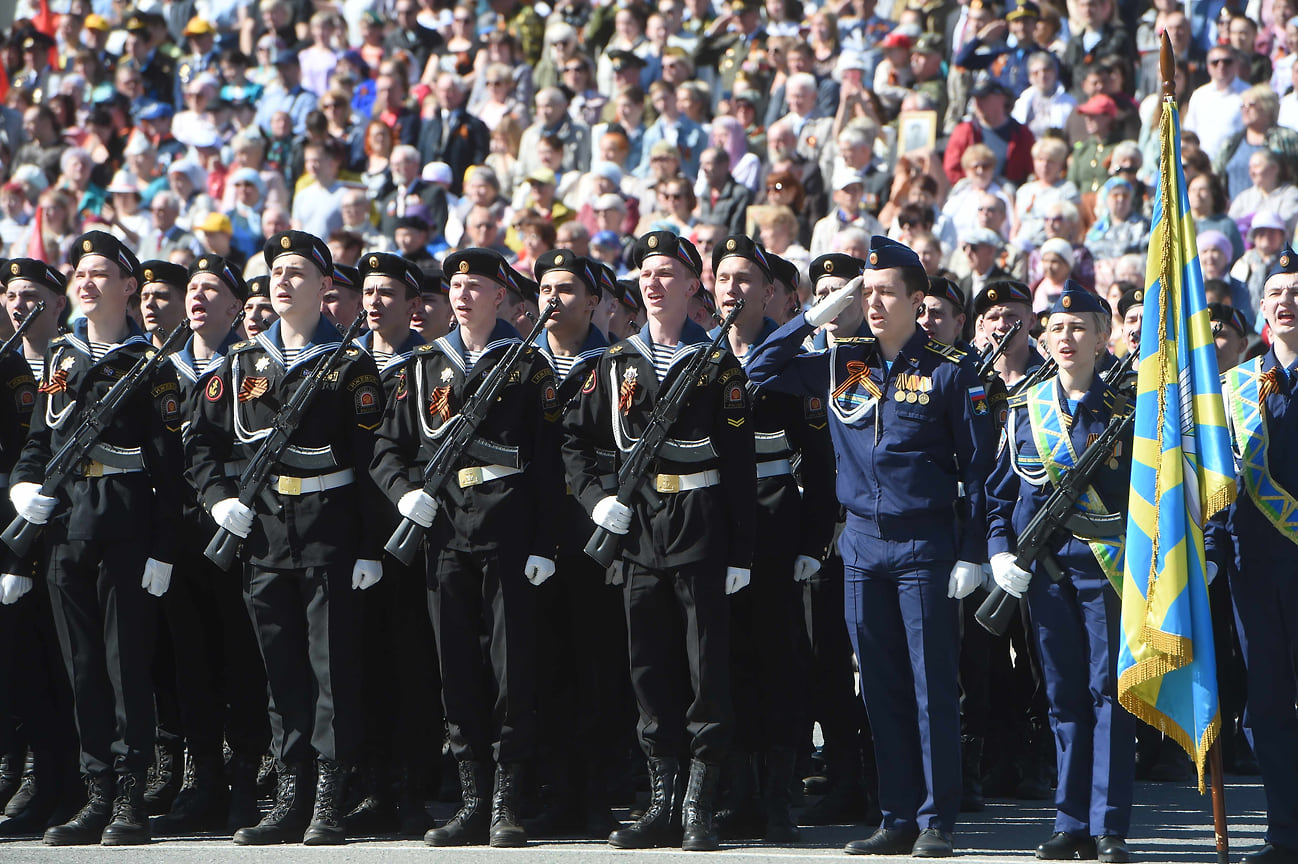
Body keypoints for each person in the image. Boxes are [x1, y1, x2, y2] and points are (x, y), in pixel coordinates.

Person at [745, 235, 995, 858]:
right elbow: (758, 366)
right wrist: (819, 314)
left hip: (925, 544)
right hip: (862, 545)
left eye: (885, 292)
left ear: (918, 300)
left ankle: (938, 818)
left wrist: (972, 551)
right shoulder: (842, 361)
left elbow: (980, 469)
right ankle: (898, 815)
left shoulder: (949, 371)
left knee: (931, 686)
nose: (874, 303)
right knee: (878, 686)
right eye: (868, 292)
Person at [186, 231, 386, 847]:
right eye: (276, 270)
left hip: (330, 531)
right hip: (265, 532)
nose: (283, 280)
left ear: (325, 286)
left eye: (297, 271)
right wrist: (219, 501)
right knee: (281, 671)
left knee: (331, 670)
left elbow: (373, 456)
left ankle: (331, 794)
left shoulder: (350, 363)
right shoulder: (243, 362)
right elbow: (201, 444)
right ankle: (291, 791)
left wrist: (371, 548)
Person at [562, 230, 755, 852]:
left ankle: (699, 806)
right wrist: (600, 503)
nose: (653, 282)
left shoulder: (718, 362)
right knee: (648, 670)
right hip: (639, 528)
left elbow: (740, 465)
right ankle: (662, 802)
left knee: (705, 673)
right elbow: (578, 445)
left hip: (700, 526)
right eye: (646, 272)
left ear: (694, 285)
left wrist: (742, 551)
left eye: (669, 272)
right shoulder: (615, 362)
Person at [370, 247, 562, 849]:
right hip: (446, 533)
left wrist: (544, 542)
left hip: (508, 534)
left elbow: (551, 465)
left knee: (512, 671)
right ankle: (473, 799)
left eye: (475, 285)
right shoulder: (423, 366)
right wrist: (403, 496)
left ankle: (507, 802)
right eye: (455, 284)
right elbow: (385, 451)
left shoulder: (527, 367)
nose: (462, 294)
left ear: (500, 296)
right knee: (456, 671)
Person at [11, 232, 185, 847]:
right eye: (79, 274)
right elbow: (40, 439)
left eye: (100, 275)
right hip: (66, 526)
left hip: (126, 522)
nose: (85, 284)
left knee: (123, 666)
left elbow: (170, 469)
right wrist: (21, 491)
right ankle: (98, 792)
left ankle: (130, 797)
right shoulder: (61, 357)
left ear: (128, 288)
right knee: (82, 667)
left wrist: (163, 549)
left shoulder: (151, 366)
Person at [987, 282, 1135, 863]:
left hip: (1107, 570)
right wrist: (1000, 551)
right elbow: (998, 496)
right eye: (1057, 328)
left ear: (1103, 338)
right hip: (1043, 573)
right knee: (1063, 697)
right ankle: (1070, 821)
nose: (1067, 337)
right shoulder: (1027, 410)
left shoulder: (1128, 414)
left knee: (1109, 695)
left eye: (1080, 327)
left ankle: (1109, 827)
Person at [707, 236, 835, 844]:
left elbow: (819, 461)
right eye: (723, 278)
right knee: (724, 658)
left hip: (776, 523)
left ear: (770, 292)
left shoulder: (798, 366)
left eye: (745, 280)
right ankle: (740, 790)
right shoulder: (699, 359)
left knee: (779, 658)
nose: (732, 290)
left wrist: (813, 539)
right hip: (713, 526)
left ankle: (780, 793)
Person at [152, 255, 270, 836]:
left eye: (211, 289)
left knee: (241, 658)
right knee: (188, 660)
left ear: (235, 306)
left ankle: (246, 775)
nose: (197, 297)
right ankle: (202, 778)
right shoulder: (162, 369)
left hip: (236, 532)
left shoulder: (251, 367)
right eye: (191, 288)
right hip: (178, 535)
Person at [526, 249, 624, 839]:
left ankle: (600, 791)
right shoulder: (522, 363)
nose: (553, 299)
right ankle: (556, 789)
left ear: (595, 302)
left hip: (592, 526)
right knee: (544, 663)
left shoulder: (613, 364)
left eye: (566, 289)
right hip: (535, 529)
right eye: (545, 289)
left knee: (599, 662)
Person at [346, 252, 438, 838]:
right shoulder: (345, 366)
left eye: (387, 293)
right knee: (365, 664)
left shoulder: (430, 366)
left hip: (415, 533)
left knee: (414, 664)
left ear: (414, 305)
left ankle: (413, 788)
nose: (375, 303)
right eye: (368, 292)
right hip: (355, 535)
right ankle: (373, 784)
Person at [1215, 249, 1298, 864]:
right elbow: (1218, 479)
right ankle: (1284, 830)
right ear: (1262, 306)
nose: (1287, 300)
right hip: (1254, 564)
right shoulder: (1238, 385)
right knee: (1267, 703)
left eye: (1297, 290)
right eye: (1276, 291)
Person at [0, 259, 75, 839]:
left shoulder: (57, 368)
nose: (18, 305)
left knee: (49, 668)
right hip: (11, 540)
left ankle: (52, 777)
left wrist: (19, 556)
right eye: (11, 295)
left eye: (31, 295)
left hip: (51, 538)